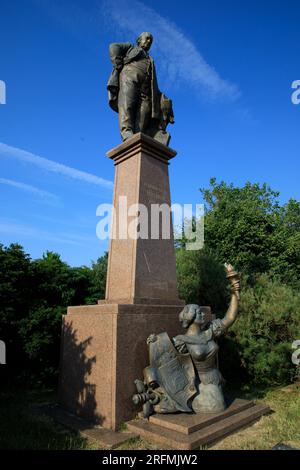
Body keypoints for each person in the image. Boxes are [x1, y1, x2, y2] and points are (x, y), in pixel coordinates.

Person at [173, 264, 240, 413]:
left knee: (218, 405)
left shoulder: (210, 330)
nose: (203, 314)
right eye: (198, 313)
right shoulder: (181, 341)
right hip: (201, 384)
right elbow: (170, 364)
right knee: (218, 407)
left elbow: (230, 317)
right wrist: (154, 343)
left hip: (218, 380)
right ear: (190, 317)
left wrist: (235, 290)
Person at [107, 32, 174, 144]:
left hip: (146, 89)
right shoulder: (131, 47)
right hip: (130, 78)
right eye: (147, 39)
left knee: (145, 111)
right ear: (139, 40)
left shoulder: (150, 59)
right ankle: (126, 132)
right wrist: (117, 63)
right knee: (127, 104)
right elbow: (113, 46)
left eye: (150, 41)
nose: (148, 42)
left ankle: (138, 137)